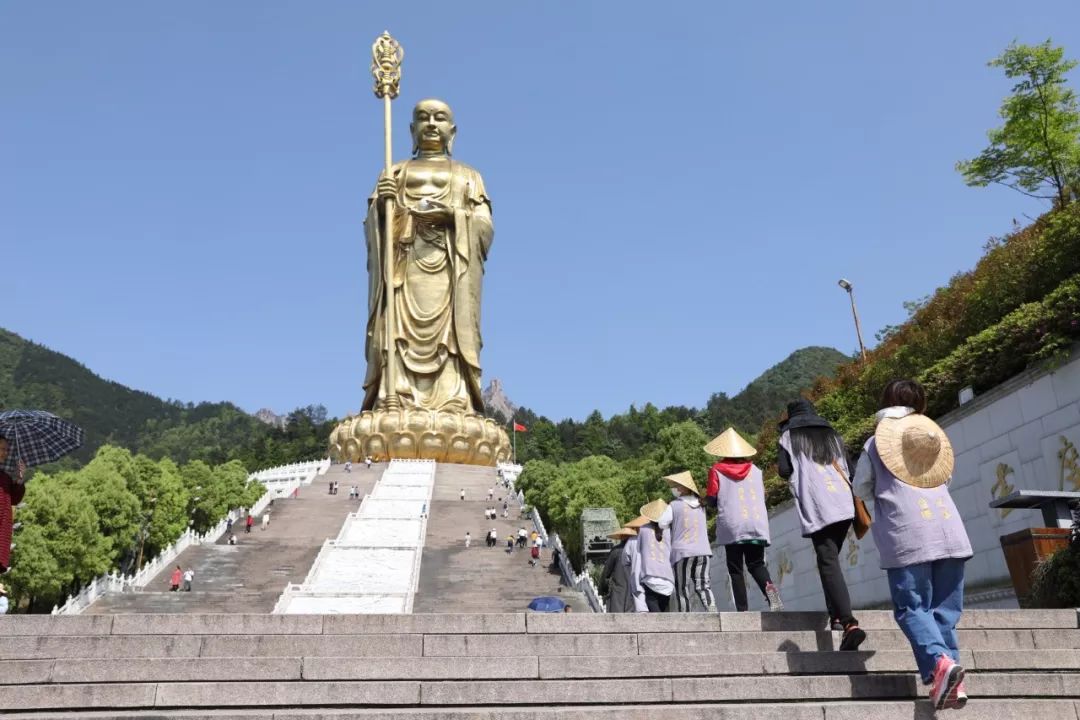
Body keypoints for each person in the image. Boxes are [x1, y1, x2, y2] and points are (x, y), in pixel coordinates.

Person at [854, 380, 972, 710]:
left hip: (907, 534)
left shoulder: (874, 444)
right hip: (950, 530)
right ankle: (951, 681)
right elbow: (946, 477)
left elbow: (860, 486)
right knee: (945, 611)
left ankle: (940, 664)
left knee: (912, 607)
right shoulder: (933, 437)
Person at [778, 399, 865, 651]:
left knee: (827, 561)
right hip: (843, 503)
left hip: (818, 504)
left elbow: (784, 470)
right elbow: (851, 469)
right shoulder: (832, 435)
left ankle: (849, 623)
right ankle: (836, 616)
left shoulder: (788, 437)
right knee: (829, 560)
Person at [705, 428, 782, 612]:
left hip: (733, 525)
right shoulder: (756, 470)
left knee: (736, 569)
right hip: (756, 522)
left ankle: (743, 610)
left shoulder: (716, 470)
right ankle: (770, 591)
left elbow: (712, 499)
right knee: (756, 564)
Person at [664, 470, 715, 612]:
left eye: (677, 486)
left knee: (682, 586)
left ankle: (686, 615)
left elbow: (662, 522)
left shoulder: (673, 506)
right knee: (703, 584)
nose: (675, 489)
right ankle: (711, 607)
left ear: (684, 488)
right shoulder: (701, 505)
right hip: (703, 551)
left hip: (683, 552)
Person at [634, 499, 675, 612]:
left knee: (654, 608)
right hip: (668, 578)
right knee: (665, 610)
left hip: (650, 576)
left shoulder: (643, 530)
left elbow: (638, 551)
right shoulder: (670, 531)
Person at [0, 436, 26, 573]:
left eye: (7, 450)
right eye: (2, 449)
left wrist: (19, 479)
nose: (5, 453)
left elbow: (14, 499)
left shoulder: (5, 477)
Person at [599, 527, 638, 613]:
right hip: (634, 589)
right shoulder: (638, 551)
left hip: (618, 590)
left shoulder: (616, 551)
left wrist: (602, 589)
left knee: (616, 615)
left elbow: (606, 572)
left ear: (621, 537)